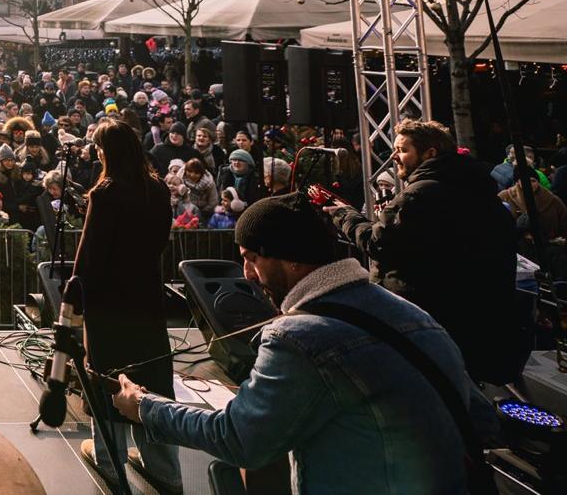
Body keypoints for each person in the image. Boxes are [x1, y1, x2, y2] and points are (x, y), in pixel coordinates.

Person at [113, 193, 501, 495]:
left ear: (291, 260)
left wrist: (145, 407)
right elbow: (481, 421)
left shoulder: (298, 338)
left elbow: (238, 439)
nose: (247, 274)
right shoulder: (416, 317)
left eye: (251, 258)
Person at [326, 118, 522, 383]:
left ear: (430, 153)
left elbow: (378, 243)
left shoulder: (420, 196)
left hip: (422, 324)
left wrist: (344, 216)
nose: (394, 157)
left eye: (402, 150)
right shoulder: (482, 193)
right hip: (475, 327)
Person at [70, 118, 181, 495]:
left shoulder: (106, 193)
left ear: (108, 151)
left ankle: (111, 464)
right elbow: (160, 242)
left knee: (107, 377)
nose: (96, 152)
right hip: (147, 299)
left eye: (99, 147)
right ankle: (165, 470)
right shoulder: (158, 190)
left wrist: (74, 297)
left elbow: (89, 257)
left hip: (109, 304)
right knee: (152, 380)